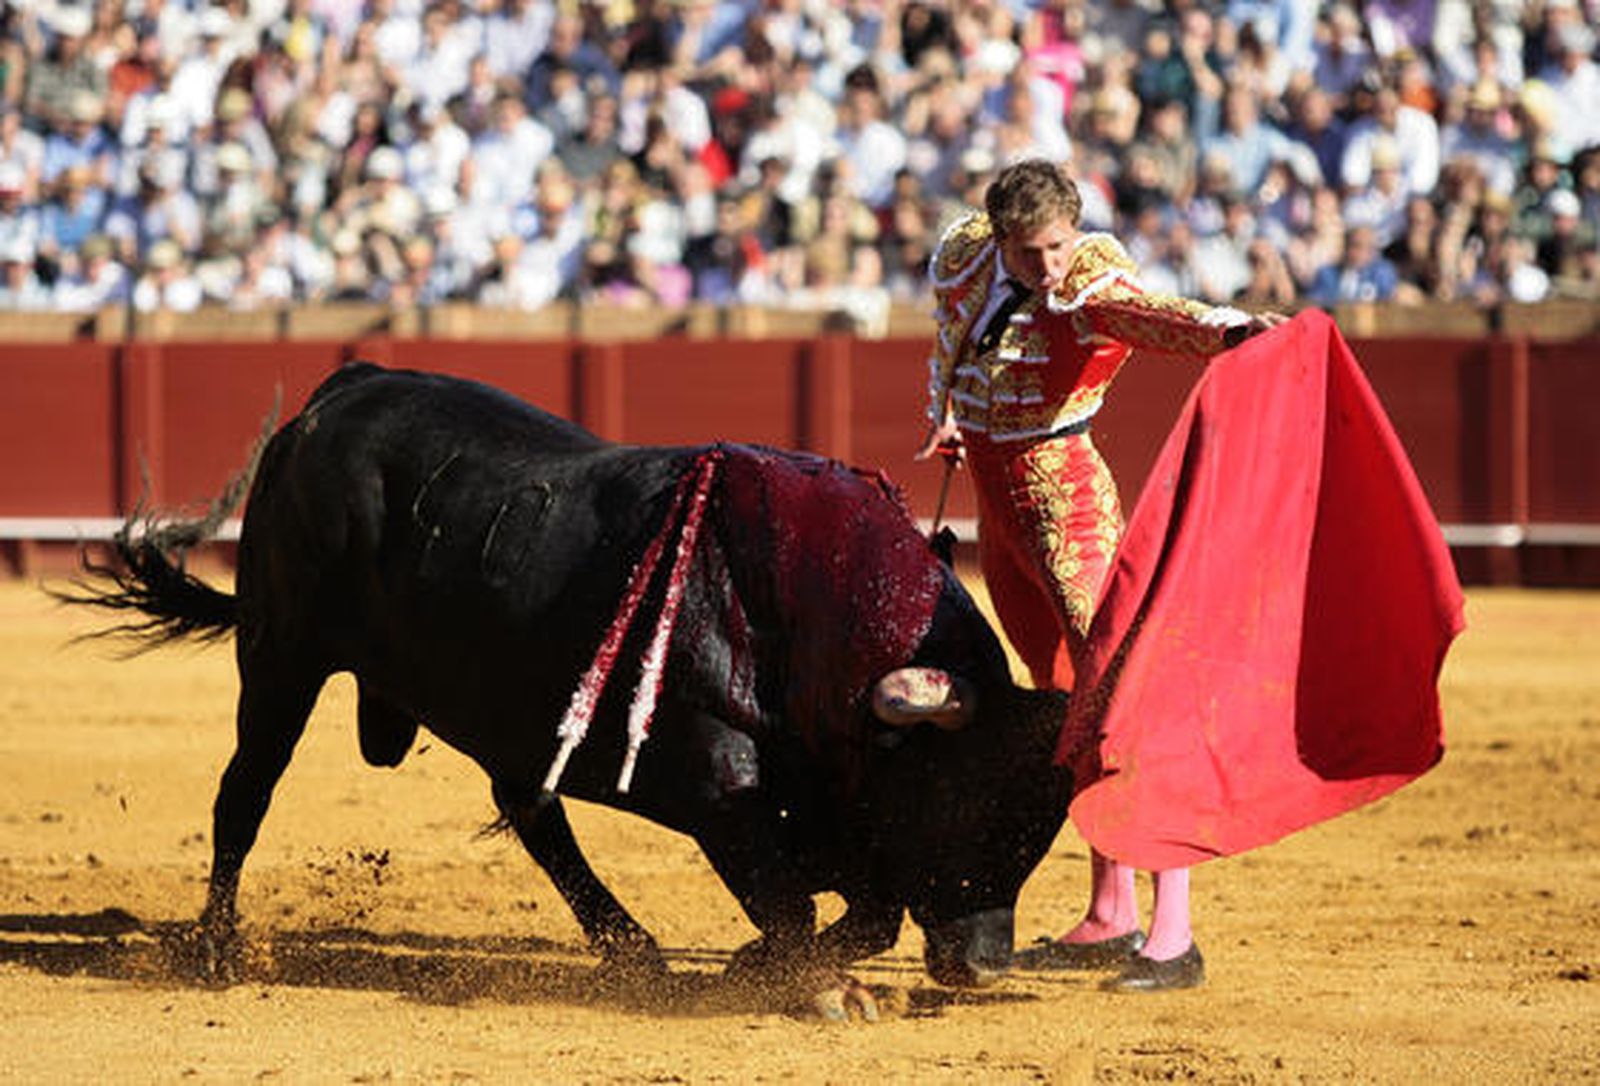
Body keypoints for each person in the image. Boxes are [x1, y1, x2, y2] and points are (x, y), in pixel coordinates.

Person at [914, 158, 1284, 992]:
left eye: (1055, 247)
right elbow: (948, 333)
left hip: (1066, 501)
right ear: (999, 236)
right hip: (998, 511)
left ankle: (1174, 934)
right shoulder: (969, 252)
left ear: (1072, 231)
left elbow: (1152, 316)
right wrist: (942, 409)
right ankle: (1111, 912)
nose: (1046, 267)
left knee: (1121, 695)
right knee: (1064, 702)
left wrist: (1233, 328)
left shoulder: (1089, 279)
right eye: (1027, 252)